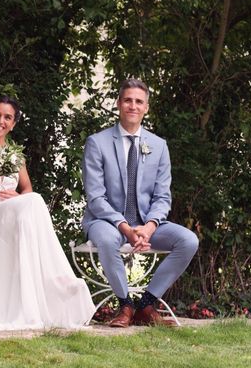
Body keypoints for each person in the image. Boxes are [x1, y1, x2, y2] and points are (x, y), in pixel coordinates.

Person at [0, 96, 96, 330]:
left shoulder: (16, 154)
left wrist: (19, 196)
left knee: (33, 200)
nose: (1, 121)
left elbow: (27, 189)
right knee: (34, 202)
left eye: (7, 117)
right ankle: (57, 277)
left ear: (13, 124)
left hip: (10, 212)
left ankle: (54, 280)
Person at [82, 78, 199, 327]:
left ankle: (146, 305)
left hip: (146, 224)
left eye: (138, 101)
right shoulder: (97, 142)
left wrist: (148, 227)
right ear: (118, 104)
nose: (132, 106)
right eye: (127, 100)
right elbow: (95, 197)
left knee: (188, 240)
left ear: (146, 107)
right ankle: (125, 305)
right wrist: (125, 227)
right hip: (107, 221)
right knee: (105, 239)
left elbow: (162, 197)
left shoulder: (158, 145)